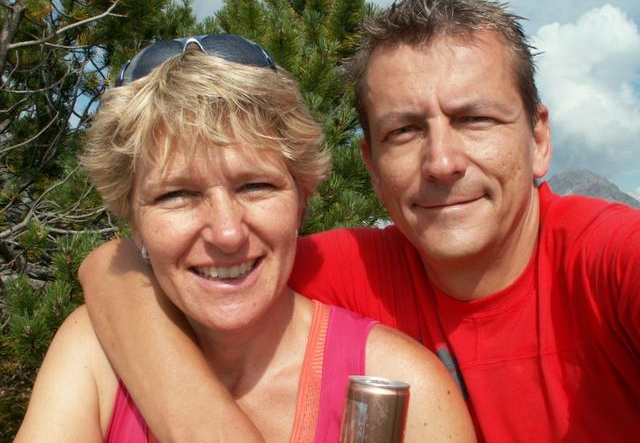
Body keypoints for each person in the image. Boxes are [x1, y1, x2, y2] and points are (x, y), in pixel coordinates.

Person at [79, 0, 640, 442]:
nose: (442, 162)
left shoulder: (611, 262)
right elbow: (121, 273)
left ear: (539, 139)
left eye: (475, 119)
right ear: (371, 165)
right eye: (405, 131)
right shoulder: (345, 271)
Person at [14, 34, 475, 442]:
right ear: (133, 220)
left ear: (301, 198)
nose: (227, 232)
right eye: (177, 195)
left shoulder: (406, 388)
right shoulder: (95, 357)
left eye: (255, 186)